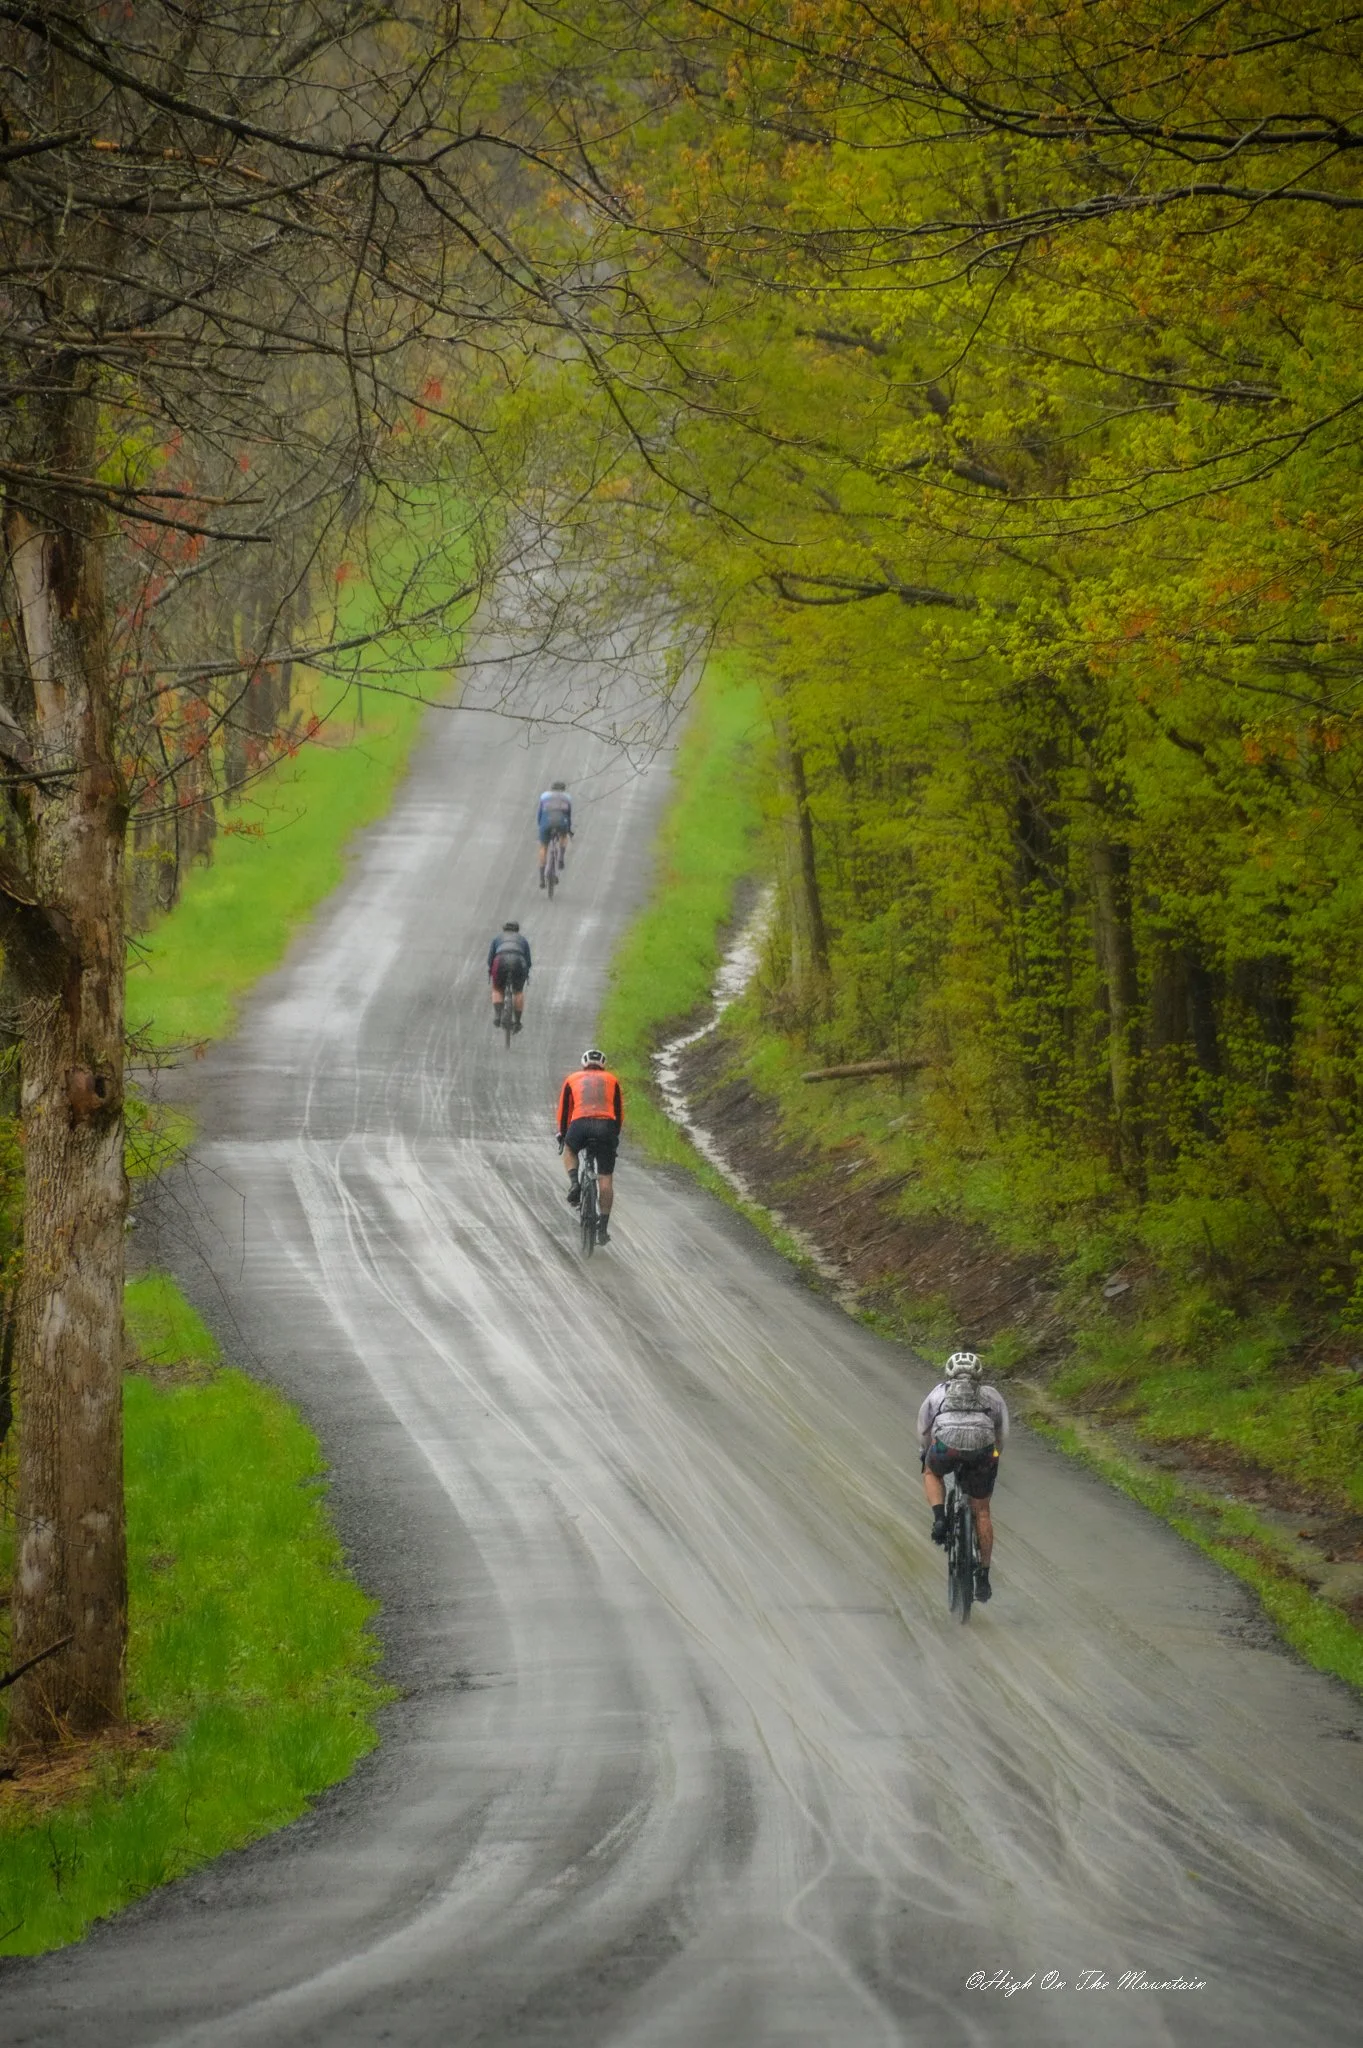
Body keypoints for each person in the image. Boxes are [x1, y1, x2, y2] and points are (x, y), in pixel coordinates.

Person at [917, 1351, 1008, 1603]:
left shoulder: (938, 1393)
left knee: (931, 1471)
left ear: (949, 1373)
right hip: (982, 1451)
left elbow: (923, 1428)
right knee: (982, 1512)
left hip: (947, 1447)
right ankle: (984, 1576)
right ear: (979, 1375)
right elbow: (1002, 1432)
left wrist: (925, 1452)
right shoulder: (992, 1396)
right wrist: (994, 1454)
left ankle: (939, 1520)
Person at [556, 1047, 623, 1245]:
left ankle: (575, 1183)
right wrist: (614, 1136)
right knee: (606, 1179)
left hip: (580, 1124)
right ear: (604, 1065)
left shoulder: (572, 1079)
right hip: (606, 1127)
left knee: (570, 1150)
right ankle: (602, 1228)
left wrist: (562, 1135)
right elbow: (619, 1113)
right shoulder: (613, 1080)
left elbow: (564, 1111)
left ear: (583, 1064)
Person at [487, 920, 531, 1031]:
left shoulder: (497, 938)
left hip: (500, 960)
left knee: (497, 988)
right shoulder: (523, 940)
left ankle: (498, 1015)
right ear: (517, 930)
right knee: (518, 992)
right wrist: (525, 973)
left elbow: (490, 959)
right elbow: (528, 961)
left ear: (504, 929)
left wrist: (491, 971)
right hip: (518, 961)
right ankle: (517, 1021)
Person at [537, 780, 573, 886]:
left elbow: (539, 814)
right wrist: (569, 830)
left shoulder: (544, 796)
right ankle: (561, 858)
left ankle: (541, 878)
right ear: (563, 790)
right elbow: (568, 815)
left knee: (543, 847)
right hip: (561, 822)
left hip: (545, 823)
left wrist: (540, 826)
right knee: (563, 836)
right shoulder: (567, 797)